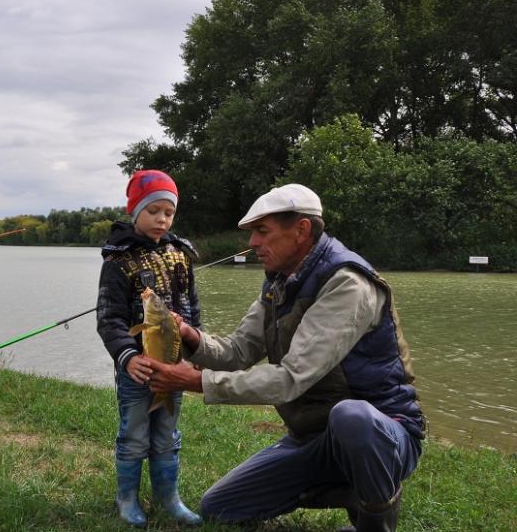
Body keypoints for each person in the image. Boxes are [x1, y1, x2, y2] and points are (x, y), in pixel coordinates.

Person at [142, 183, 425, 532]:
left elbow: (291, 378)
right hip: (313, 437)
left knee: (353, 418)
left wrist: (196, 381)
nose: (252, 243)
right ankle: (352, 490)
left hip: (385, 431)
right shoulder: (278, 282)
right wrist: (191, 337)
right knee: (220, 507)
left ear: (302, 230)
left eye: (262, 232)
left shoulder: (347, 284)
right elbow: (239, 350)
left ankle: (375, 517)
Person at [96, 169, 203, 528]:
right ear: (135, 211)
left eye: (168, 212)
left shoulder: (180, 255)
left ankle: (168, 497)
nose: (162, 219)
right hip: (137, 369)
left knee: (167, 433)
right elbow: (109, 319)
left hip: (172, 365)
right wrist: (128, 357)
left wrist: (196, 351)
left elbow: (192, 309)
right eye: (153, 210)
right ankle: (126, 498)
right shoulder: (117, 260)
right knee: (134, 433)